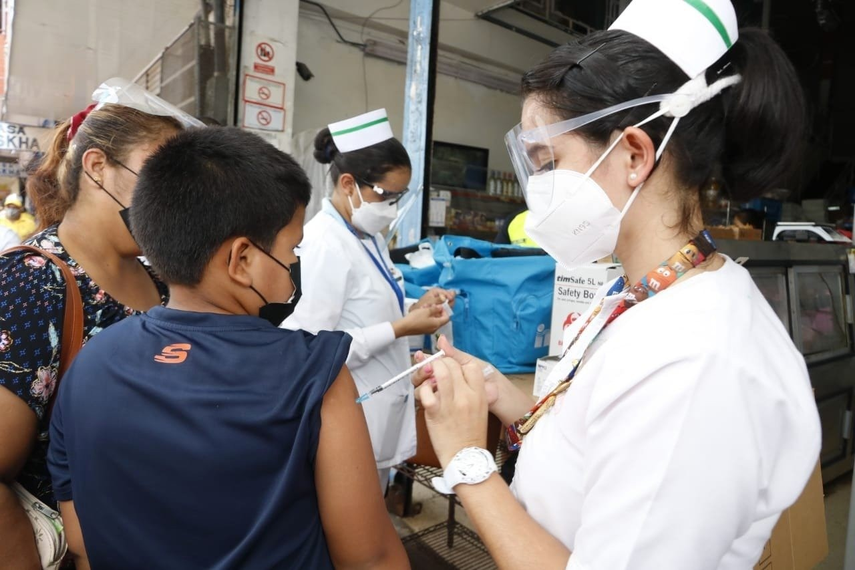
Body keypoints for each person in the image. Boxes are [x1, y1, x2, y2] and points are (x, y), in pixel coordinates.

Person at [412, 1, 821, 569]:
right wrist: (502, 397)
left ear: (633, 154)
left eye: (548, 161)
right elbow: (606, 435)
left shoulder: (696, 364)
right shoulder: (646, 293)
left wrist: (465, 460)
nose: (539, 189)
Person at [47, 127, 408, 569]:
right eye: (293, 249)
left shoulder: (90, 365)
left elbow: (81, 538)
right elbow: (370, 558)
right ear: (241, 260)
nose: (296, 264)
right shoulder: (315, 375)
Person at [0, 80, 192, 568]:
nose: (175, 198)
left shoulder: (163, 280)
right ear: (98, 167)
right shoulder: (34, 279)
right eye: (160, 177)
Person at [284, 109, 453, 491]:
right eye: (386, 195)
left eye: (400, 197)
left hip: (375, 413)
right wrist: (400, 328)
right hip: (347, 419)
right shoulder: (324, 245)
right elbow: (311, 349)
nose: (392, 208)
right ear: (348, 183)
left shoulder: (367, 235)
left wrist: (415, 306)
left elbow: (364, 307)